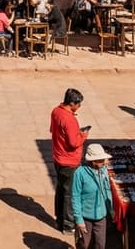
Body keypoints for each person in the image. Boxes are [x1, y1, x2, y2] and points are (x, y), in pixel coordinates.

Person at [50, 87, 90, 235]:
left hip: (57, 157)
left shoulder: (56, 112)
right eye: (78, 104)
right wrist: (83, 135)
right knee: (70, 193)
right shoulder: (70, 119)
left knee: (61, 189)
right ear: (72, 103)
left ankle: (59, 219)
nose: (79, 107)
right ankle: (68, 225)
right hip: (69, 161)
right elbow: (73, 143)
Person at [71, 143, 114, 249]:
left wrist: (111, 210)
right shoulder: (80, 173)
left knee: (100, 244)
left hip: (101, 216)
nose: (104, 162)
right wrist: (79, 220)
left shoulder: (103, 170)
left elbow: (107, 190)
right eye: (101, 160)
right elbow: (75, 196)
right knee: (85, 245)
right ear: (93, 161)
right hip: (85, 218)